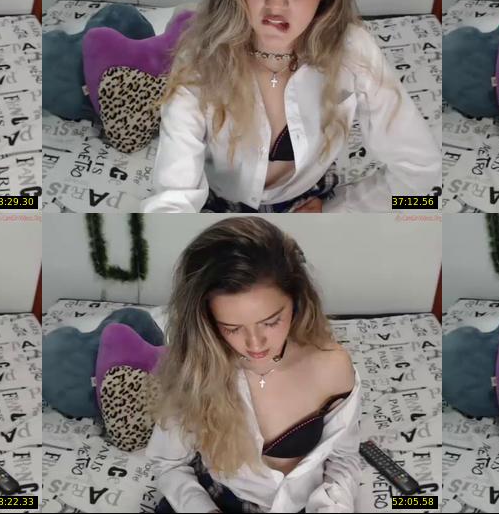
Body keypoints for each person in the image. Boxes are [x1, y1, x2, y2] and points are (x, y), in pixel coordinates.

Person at [144, 0, 440, 212]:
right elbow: (174, 193)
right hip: (214, 199)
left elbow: (420, 168)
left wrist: (339, 210)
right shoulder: (200, 56)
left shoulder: (354, 51)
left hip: (309, 199)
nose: (276, 2)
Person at [145, 217, 360, 512]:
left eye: (271, 322)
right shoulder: (197, 374)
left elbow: (343, 459)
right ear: (208, 322)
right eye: (232, 328)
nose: (255, 344)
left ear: (297, 301)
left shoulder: (332, 366)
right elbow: (168, 464)